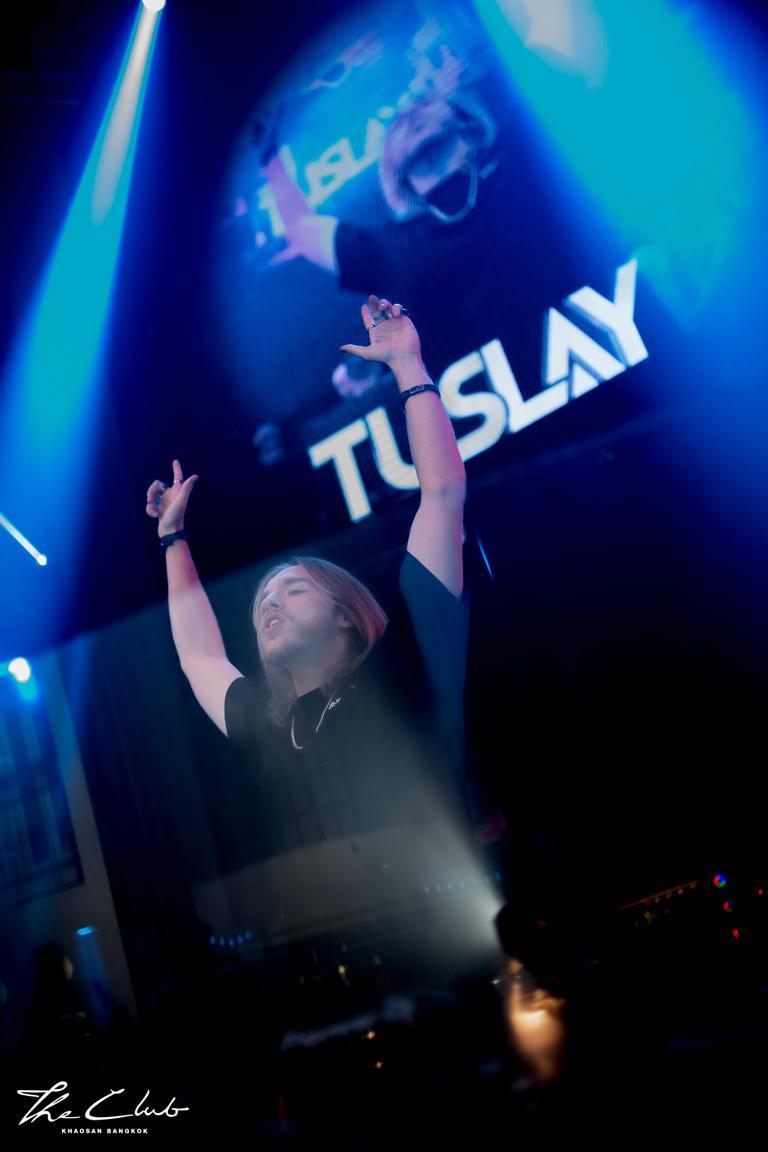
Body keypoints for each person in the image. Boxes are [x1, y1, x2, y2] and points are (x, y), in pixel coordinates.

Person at [146, 297, 483, 959]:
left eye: (293, 589)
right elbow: (199, 658)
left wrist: (408, 367)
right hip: (350, 956)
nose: (269, 603)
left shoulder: (409, 662)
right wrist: (172, 538)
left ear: (345, 614)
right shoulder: (273, 723)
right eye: (262, 601)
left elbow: (442, 499)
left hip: (455, 925)